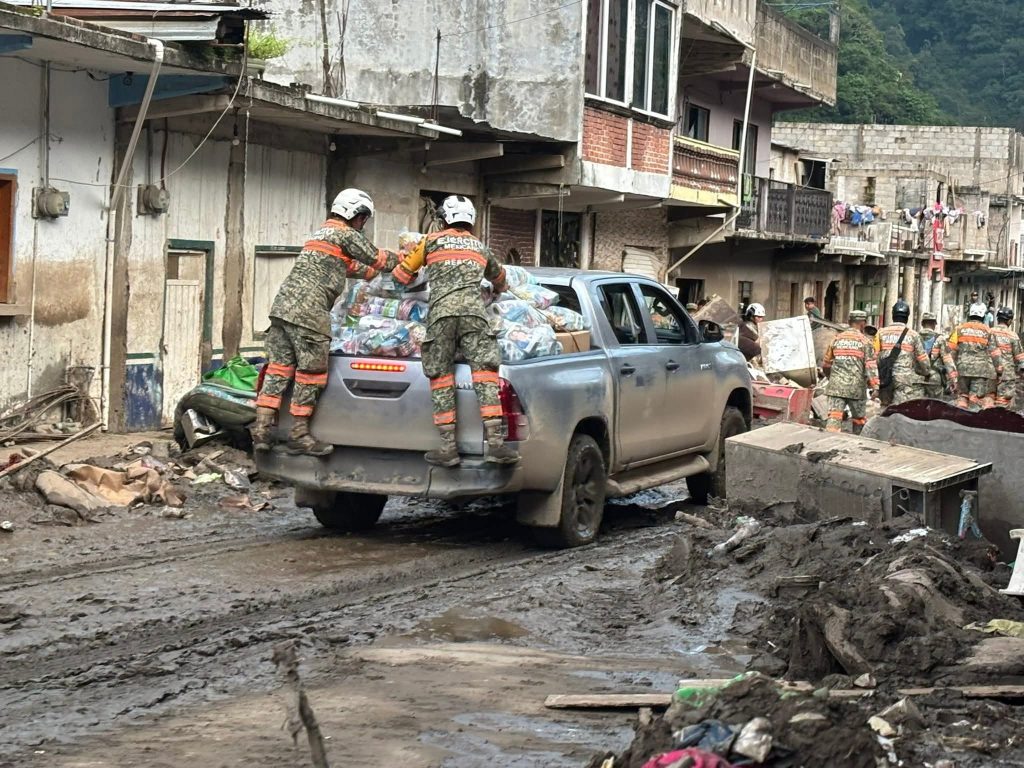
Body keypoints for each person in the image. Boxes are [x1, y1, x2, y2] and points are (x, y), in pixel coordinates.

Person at [252, 189, 400, 456]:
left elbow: (350, 267)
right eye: (363, 218)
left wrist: (373, 278)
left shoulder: (320, 235)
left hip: (282, 310)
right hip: (309, 314)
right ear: (355, 215)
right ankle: (299, 434)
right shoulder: (345, 233)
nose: (362, 224)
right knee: (311, 373)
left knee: (278, 370)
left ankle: (261, 432)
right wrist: (409, 258)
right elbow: (380, 259)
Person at [392, 195, 519, 467]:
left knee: (441, 376)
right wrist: (498, 288)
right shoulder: (480, 246)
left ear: (444, 219)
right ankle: (496, 445)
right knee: (485, 373)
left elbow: (401, 276)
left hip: (441, 316)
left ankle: (448, 447)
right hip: (474, 315)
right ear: (470, 220)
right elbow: (500, 281)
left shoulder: (430, 242)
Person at [822, 309, 878, 434]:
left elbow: (826, 365)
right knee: (859, 419)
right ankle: (857, 441)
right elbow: (871, 367)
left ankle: (829, 442)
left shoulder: (836, 339)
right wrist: (875, 387)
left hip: (836, 387)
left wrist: (832, 379)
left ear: (848, 322)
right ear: (863, 323)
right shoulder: (865, 342)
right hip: (856, 389)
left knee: (834, 419)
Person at [875, 300, 930, 405]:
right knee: (900, 409)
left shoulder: (880, 333)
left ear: (892, 315)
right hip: (904, 381)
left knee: (885, 409)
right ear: (907, 317)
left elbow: (874, 357)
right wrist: (926, 373)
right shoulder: (913, 335)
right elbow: (923, 361)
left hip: (884, 378)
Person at [949, 302, 1002, 411]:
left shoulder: (959, 329)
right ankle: (973, 418)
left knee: (962, 397)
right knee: (975, 399)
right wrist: (999, 371)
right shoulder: (988, 331)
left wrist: (951, 372)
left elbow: (950, 351)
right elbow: (995, 353)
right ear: (983, 316)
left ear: (970, 314)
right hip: (980, 372)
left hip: (962, 370)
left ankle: (960, 416)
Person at [919, 312, 958, 399]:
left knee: (916, 405)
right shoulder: (940, 339)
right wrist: (954, 379)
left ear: (922, 324)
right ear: (934, 324)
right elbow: (948, 361)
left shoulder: (914, 337)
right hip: (934, 379)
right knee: (934, 405)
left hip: (916, 378)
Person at [991, 307, 1024, 408]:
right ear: (1009, 321)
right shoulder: (1013, 335)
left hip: (988, 373)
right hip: (1006, 375)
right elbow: (1020, 358)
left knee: (988, 401)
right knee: (1003, 402)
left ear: (997, 319)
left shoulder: (989, 332)